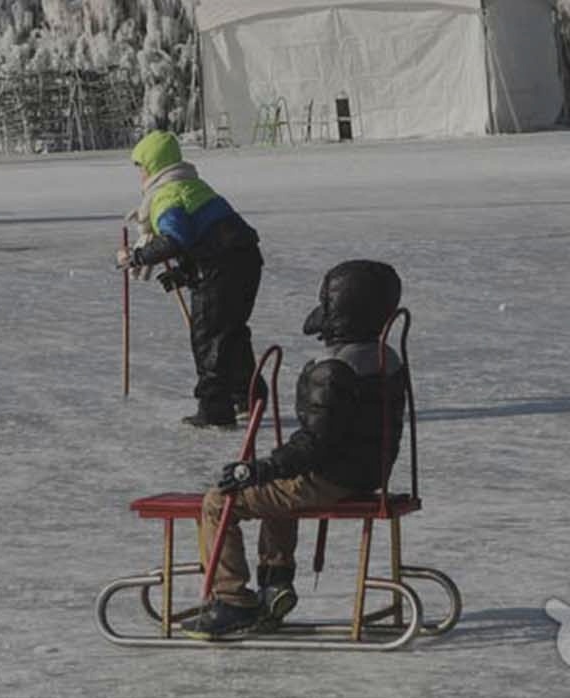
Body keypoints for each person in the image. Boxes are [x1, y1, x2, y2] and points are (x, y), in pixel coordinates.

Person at [181, 260, 407, 639]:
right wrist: (273, 469)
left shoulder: (336, 369)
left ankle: (231, 599)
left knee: (220, 502)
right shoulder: (386, 358)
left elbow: (316, 443)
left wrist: (260, 467)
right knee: (277, 491)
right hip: (368, 471)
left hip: (331, 476)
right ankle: (276, 584)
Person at [115, 130, 265, 428]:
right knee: (231, 331)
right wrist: (186, 273)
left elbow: (176, 238)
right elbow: (208, 237)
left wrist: (138, 257)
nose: (141, 177)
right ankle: (248, 397)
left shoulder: (166, 195)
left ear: (155, 167)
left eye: (142, 169)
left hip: (222, 268)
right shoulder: (193, 185)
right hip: (245, 261)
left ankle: (215, 408)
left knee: (209, 336)